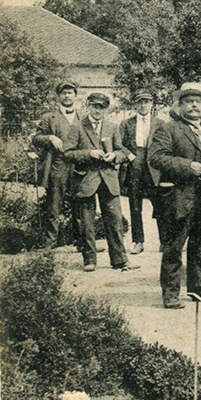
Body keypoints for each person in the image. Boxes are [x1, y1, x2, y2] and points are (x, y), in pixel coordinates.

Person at [148, 82, 201, 308]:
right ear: (180, 105)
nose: (194, 105)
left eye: (198, 101)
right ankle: (171, 294)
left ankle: (200, 288)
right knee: (174, 246)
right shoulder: (169, 128)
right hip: (181, 195)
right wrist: (188, 166)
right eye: (189, 101)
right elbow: (156, 158)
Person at [63, 93, 138, 272]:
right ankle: (89, 260)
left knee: (114, 220)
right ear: (88, 106)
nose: (98, 111)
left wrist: (115, 156)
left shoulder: (112, 127)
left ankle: (120, 260)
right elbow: (67, 153)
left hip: (108, 178)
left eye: (102, 107)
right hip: (85, 179)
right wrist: (88, 153)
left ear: (107, 109)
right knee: (86, 223)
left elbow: (121, 151)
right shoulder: (77, 127)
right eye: (95, 106)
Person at [31, 80, 81, 249]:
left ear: (75, 95)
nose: (67, 96)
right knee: (54, 205)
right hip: (58, 165)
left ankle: (81, 242)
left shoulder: (83, 118)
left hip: (77, 165)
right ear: (59, 96)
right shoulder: (49, 116)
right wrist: (50, 138)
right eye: (64, 93)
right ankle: (49, 244)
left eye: (70, 93)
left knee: (79, 204)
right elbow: (36, 138)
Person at [118, 90, 160, 255]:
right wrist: (129, 155)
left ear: (151, 104)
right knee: (135, 206)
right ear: (135, 104)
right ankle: (138, 241)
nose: (143, 105)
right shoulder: (126, 124)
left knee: (161, 205)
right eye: (140, 102)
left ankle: (165, 241)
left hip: (154, 168)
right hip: (134, 166)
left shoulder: (160, 123)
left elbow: (165, 144)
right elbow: (118, 143)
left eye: (147, 102)